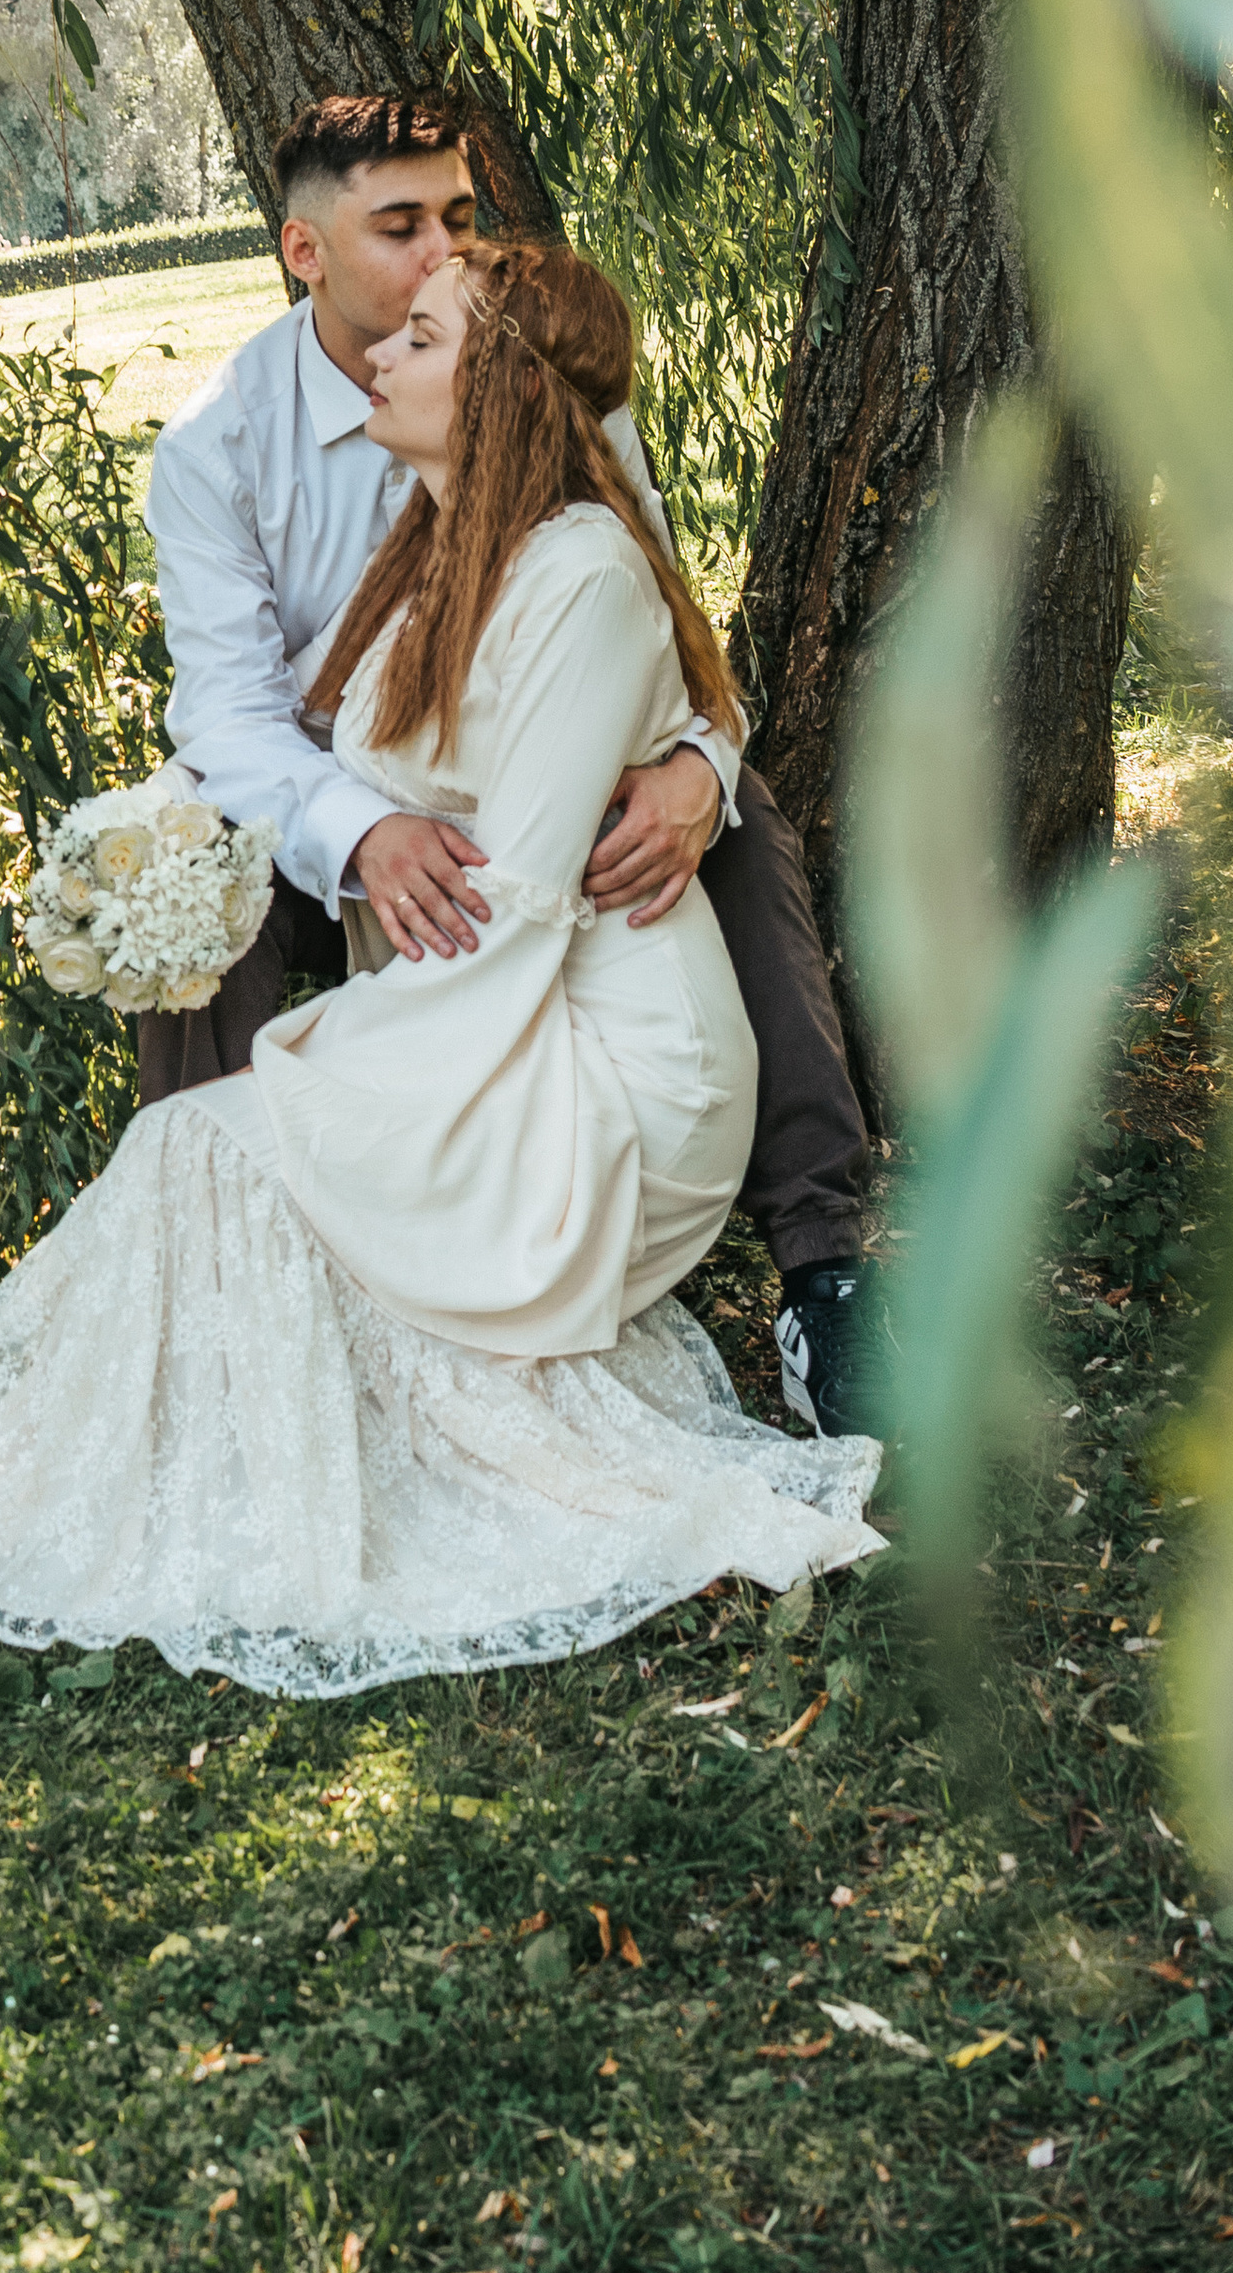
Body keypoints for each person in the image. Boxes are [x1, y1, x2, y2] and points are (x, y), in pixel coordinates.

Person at [0, 241, 882, 1690]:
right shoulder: (412, 530)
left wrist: (321, 1063)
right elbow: (255, 736)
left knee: (214, 1149)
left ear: (501, 388)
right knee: (195, 1157)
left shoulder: (576, 565)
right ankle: (147, 1475)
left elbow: (519, 898)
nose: (383, 350)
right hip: (471, 1001)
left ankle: (815, 1274)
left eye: (424, 336)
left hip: (599, 1056)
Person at [139, 92, 873, 1438]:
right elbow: (232, 720)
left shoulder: (530, 368)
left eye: (461, 219)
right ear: (305, 253)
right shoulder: (217, 451)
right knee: (184, 856)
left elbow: (655, 626)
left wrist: (700, 768)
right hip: (333, 810)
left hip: (535, 813)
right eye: (401, 226)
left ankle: (820, 1263)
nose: (443, 255)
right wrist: (360, 830)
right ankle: (243, 1257)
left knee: (744, 820)